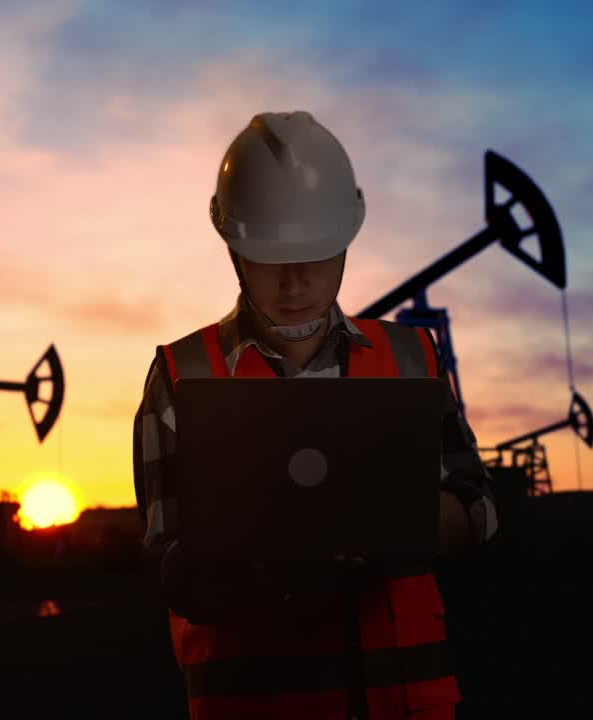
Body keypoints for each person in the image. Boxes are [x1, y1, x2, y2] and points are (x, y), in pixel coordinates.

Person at [133, 111, 498, 720]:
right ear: (233, 248)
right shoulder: (182, 376)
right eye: (273, 258)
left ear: (347, 243)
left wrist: (402, 520)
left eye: (318, 256)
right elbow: (164, 559)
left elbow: (482, 508)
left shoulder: (412, 358)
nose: (296, 282)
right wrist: (254, 560)